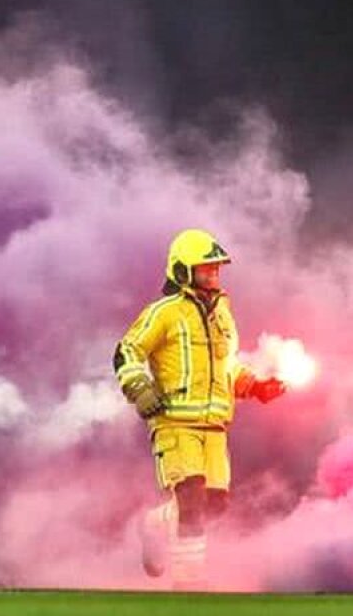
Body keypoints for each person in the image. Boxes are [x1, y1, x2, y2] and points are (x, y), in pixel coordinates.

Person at [113, 228, 286, 589]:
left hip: (215, 427)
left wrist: (255, 387)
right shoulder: (164, 312)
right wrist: (140, 388)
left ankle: (158, 522)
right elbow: (127, 351)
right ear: (182, 271)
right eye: (205, 269)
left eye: (216, 269)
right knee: (190, 498)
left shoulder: (222, 313)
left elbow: (227, 366)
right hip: (174, 423)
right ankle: (188, 586)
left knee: (215, 504)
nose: (213, 275)